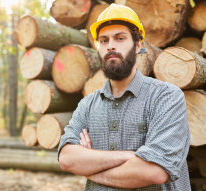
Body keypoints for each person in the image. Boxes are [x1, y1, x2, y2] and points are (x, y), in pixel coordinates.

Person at [57, 3, 190, 191]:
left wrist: (90, 168)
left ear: (137, 45)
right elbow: (67, 159)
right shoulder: (87, 105)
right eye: (104, 40)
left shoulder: (166, 97)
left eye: (120, 38)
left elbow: (155, 171)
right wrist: (131, 156)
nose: (111, 46)